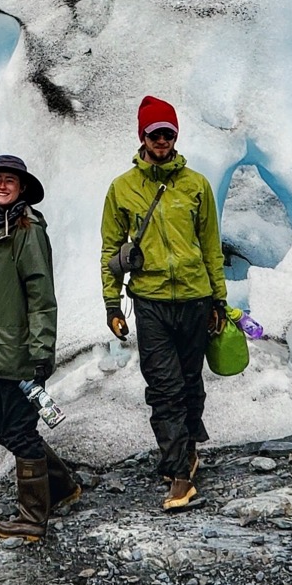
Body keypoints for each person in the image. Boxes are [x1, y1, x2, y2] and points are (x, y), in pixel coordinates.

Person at [100, 96, 225, 511]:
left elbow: (211, 249)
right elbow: (111, 251)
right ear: (143, 137)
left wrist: (218, 302)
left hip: (194, 297)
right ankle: (178, 476)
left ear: (175, 136)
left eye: (168, 133)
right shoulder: (122, 189)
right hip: (151, 301)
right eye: (155, 133)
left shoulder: (196, 186)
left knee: (190, 382)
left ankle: (186, 450)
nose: (162, 140)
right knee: (164, 387)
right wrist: (112, 305)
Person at [0, 153, 81, 540]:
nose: (1, 185)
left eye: (9, 181)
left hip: (19, 352)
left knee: (20, 429)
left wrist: (40, 351)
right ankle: (62, 486)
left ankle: (33, 516)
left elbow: (41, 295)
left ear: (22, 189)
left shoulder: (28, 230)